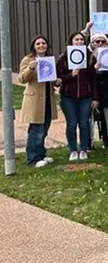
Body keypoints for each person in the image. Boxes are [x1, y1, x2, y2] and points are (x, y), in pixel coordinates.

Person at [56, 32, 98, 161]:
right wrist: (71, 75)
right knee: (72, 124)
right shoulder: (64, 57)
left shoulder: (90, 57)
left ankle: (84, 149)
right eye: (76, 39)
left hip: (86, 96)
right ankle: (73, 150)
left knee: (84, 124)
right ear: (71, 41)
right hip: (68, 96)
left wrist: (95, 97)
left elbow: (94, 79)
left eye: (81, 39)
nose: (79, 42)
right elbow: (57, 77)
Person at [19, 36, 59, 167]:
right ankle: (33, 159)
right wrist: (30, 68)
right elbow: (22, 79)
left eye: (43, 43)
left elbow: (50, 79)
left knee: (44, 129)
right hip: (35, 101)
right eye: (38, 43)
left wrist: (56, 81)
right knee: (35, 131)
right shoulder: (28, 60)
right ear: (34, 46)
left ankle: (41, 154)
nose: (41, 45)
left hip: (47, 99)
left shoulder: (49, 60)